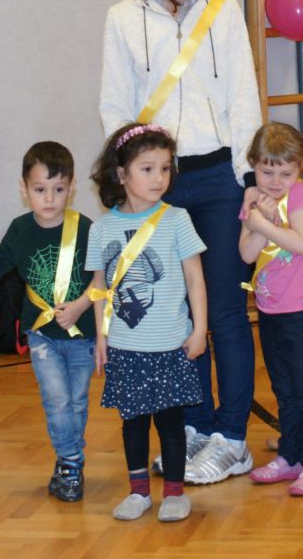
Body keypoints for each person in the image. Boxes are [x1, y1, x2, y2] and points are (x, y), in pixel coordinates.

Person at [99, 0, 261, 484]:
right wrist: (132, 187)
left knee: (225, 309)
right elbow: (116, 109)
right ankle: (194, 428)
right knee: (175, 312)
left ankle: (233, 438)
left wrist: (250, 181)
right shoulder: (123, 18)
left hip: (219, 179)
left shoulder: (225, 11)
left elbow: (244, 99)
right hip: (157, 187)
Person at [87, 123, 208, 522]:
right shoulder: (101, 228)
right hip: (126, 348)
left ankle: (174, 492)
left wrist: (199, 329)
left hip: (170, 344)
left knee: (171, 425)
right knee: (133, 424)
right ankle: (138, 492)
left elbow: (195, 278)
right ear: (121, 174)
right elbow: (99, 287)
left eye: (165, 168)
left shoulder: (177, 219)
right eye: (147, 169)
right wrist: (101, 336)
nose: (159, 178)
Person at [0, 142, 95, 502]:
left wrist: (80, 306)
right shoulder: (20, 230)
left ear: (72, 187)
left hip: (82, 335)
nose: (49, 199)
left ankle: (70, 459)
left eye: (58, 189)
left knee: (77, 402)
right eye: (39, 189)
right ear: (24, 189)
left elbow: (103, 280)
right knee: (57, 401)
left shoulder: (85, 228)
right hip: (41, 336)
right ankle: (70, 462)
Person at [239, 123, 303, 496]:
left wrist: (263, 224)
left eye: (285, 173)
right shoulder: (252, 200)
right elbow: (247, 254)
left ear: (299, 169)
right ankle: (291, 455)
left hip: (302, 312)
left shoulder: (300, 196)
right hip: (269, 311)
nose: (276, 182)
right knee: (283, 389)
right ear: (254, 165)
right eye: (267, 172)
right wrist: (257, 224)